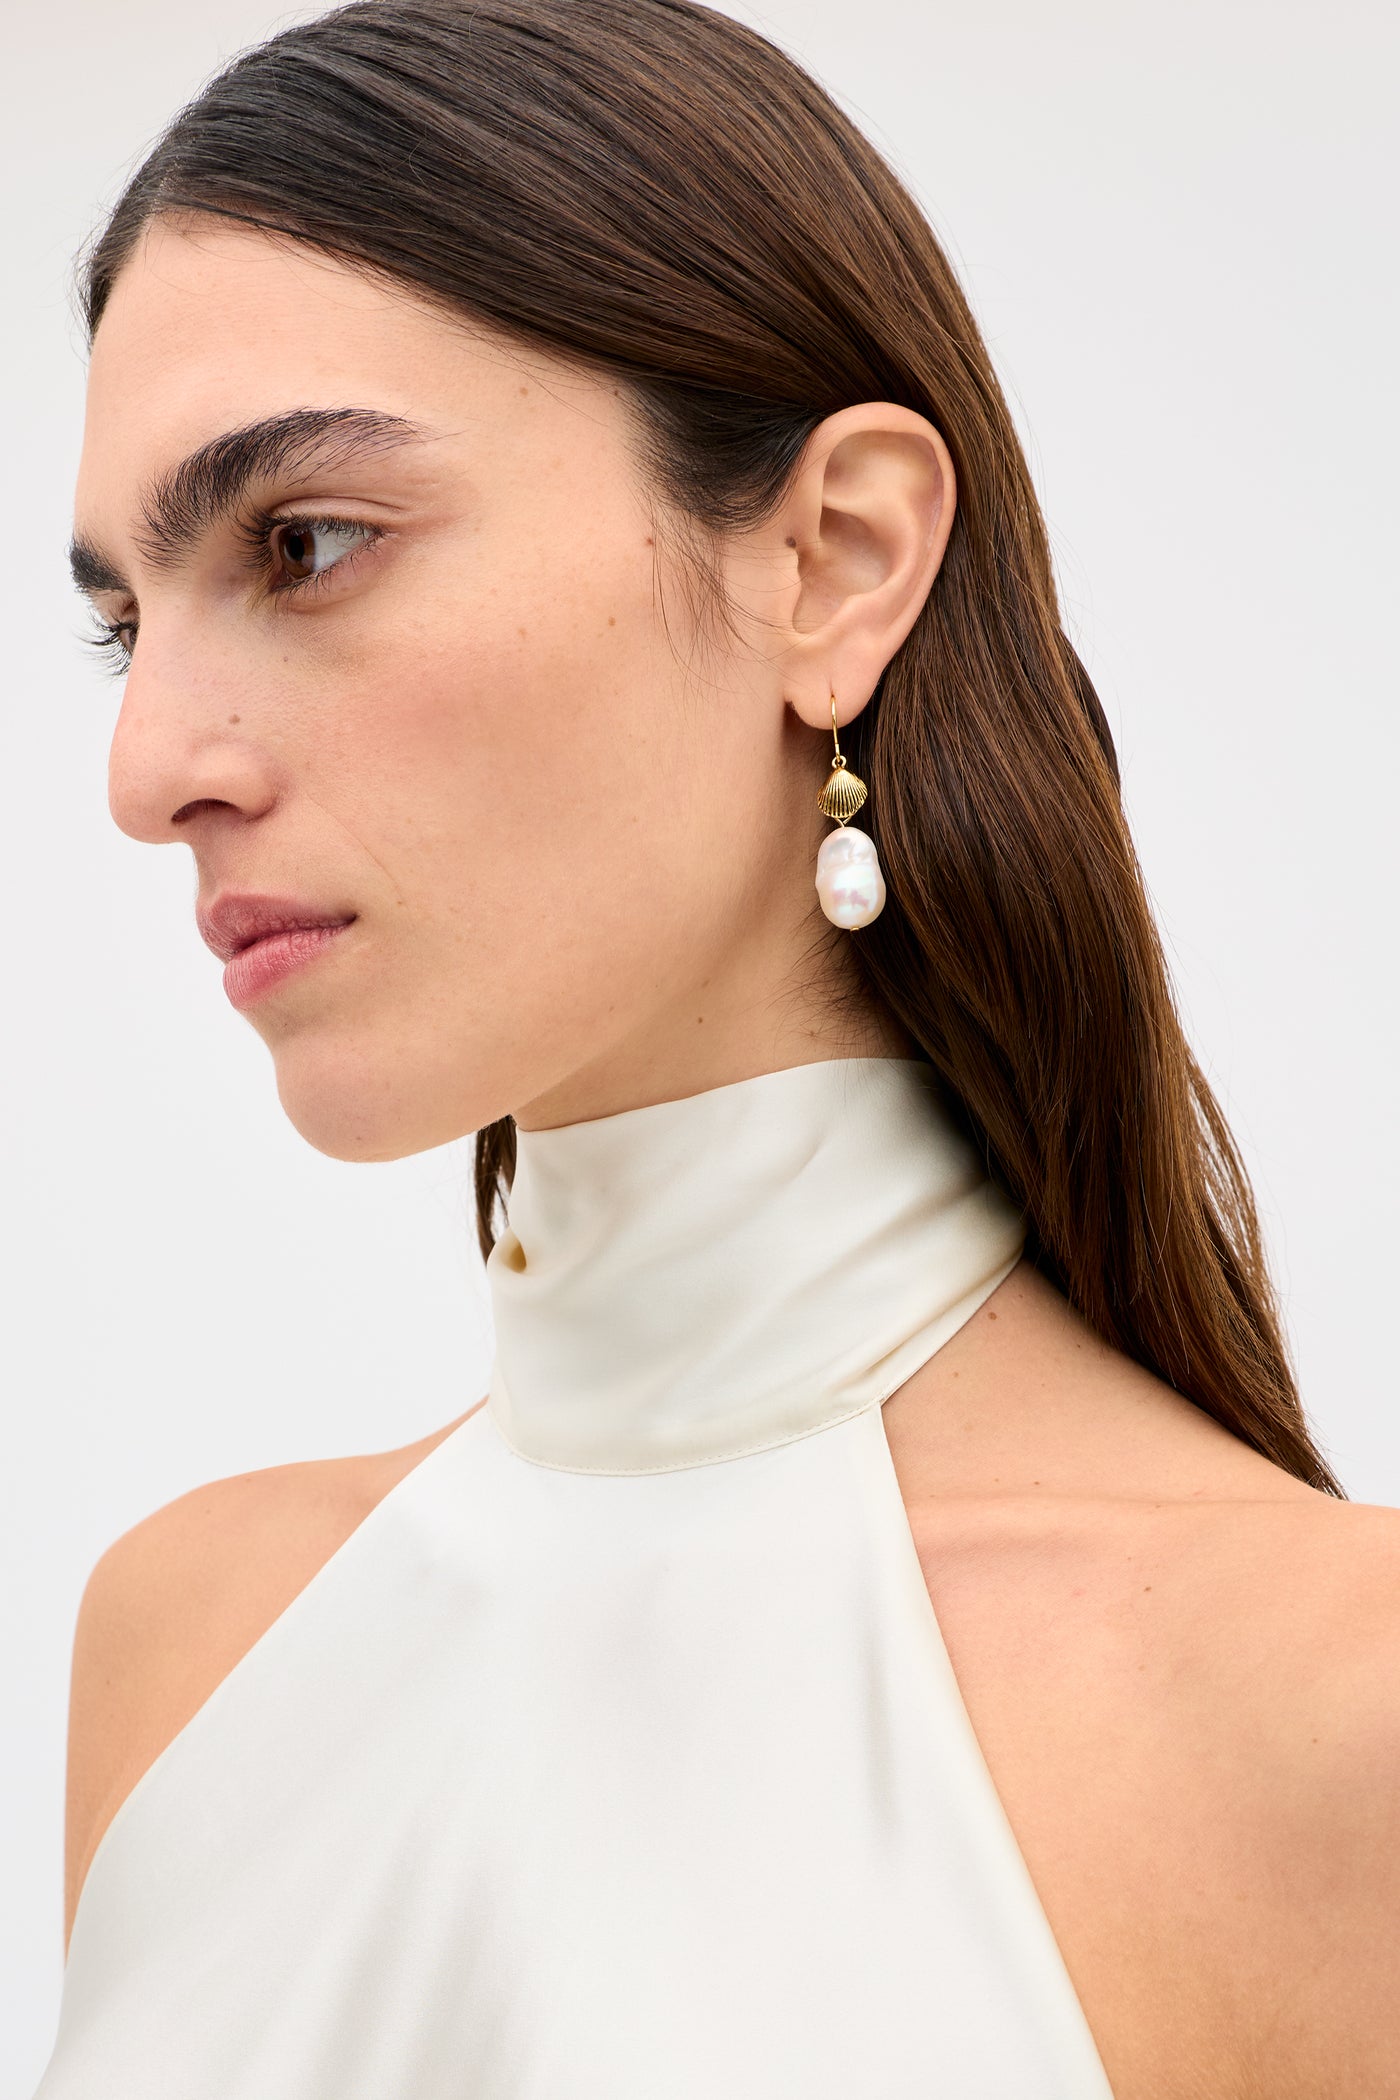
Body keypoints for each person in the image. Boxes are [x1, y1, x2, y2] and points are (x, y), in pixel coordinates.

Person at [37, 1, 1399, 2094]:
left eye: (303, 544)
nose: (149, 768)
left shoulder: (1333, 1717)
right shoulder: (181, 1654)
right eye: (132, 617)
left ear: (834, 559)